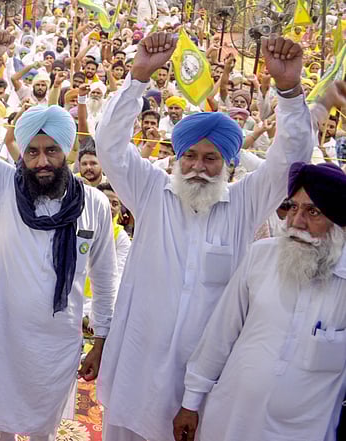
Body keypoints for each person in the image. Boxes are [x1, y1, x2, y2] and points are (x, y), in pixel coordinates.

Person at [94, 33, 321, 441]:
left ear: (230, 164)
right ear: (177, 158)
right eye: (191, 156)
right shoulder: (150, 191)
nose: (199, 166)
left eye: (211, 158)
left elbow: (291, 157)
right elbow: (109, 145)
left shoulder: (244, 202)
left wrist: (287, 91)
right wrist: (138, 78)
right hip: (137, 369)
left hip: (201, 381)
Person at [0, 30, 117, 441]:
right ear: (21, 153)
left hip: (58, 341)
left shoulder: (93, 203)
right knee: (2, 429)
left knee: (43, 431)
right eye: (33, 152)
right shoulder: (5, 187)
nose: (42, 161)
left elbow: (106, 275)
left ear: (67, 152)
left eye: (52, 150)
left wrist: (103, 339)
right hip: (5, 336)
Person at [172, 162, 346, 441]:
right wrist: (191, 402)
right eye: (293, 207)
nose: (296, 221)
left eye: (313, 211)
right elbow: (220, 334)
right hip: (230, 420)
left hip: (304, 432)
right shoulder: (261, 256)